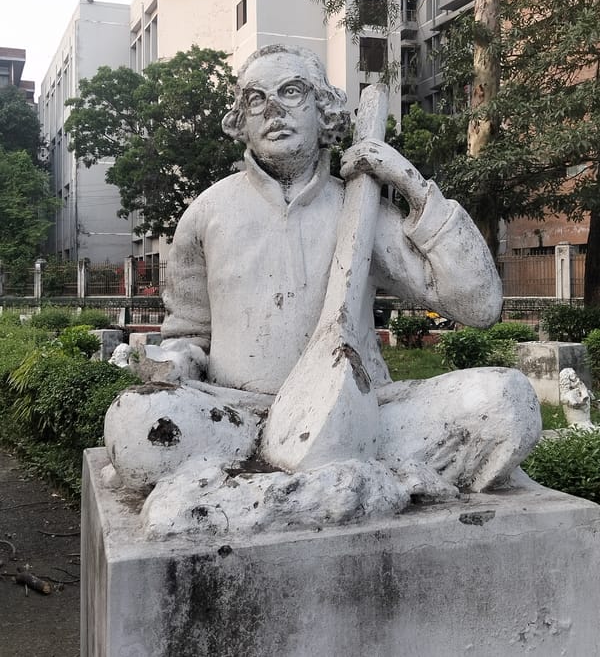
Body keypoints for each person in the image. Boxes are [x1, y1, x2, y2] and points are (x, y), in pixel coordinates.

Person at [105, 44, 540, 507]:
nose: (273, 110)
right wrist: (176, 362)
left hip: (360, 417)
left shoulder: (362, 207)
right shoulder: (206, 213)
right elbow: (190, 333)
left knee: (506, 401)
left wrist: (411, 183)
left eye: (291, 92)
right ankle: (340, 488)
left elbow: (478, 306)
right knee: (135, 423)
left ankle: (281, 493)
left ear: (324, 110)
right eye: (255, 99)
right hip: (238, 419)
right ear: (242, 123)